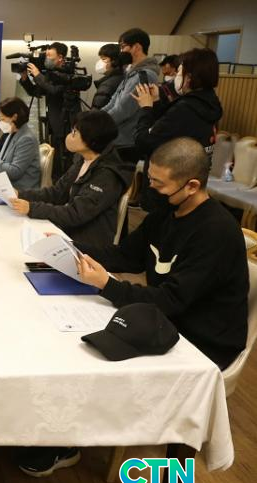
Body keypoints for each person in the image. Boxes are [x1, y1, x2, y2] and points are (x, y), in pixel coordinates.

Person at [76, 137, 248, 370]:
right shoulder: (166, 213)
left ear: (192, 186)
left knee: (103, 361)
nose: (151, 189)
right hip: (167, 318)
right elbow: (125, 256)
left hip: (203, 341)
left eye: (159, 184)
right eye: (150, 179)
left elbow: (172, 300)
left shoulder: (216, 232)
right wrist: (72, 248)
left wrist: (107, 284)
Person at [10, 110, 130, 247]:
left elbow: (76, 213)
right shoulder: (83, 160)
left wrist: (32, 208)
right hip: (68, 230)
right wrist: (21, 194)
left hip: (87, 244)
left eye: (75, 132)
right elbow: (56, 193)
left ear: (91, 139)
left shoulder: (107, 176)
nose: (70, 135)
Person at [131, 48, 222, 213]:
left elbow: (144, 143)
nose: (176, 77)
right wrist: (156, 102)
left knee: (160, 227)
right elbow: (170, 129)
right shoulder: (210, 103)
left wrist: (146, 108)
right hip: (191, 185)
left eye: (179, 71)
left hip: (169, 188)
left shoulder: (186, 108)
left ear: (189, 77)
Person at [19, 42, 81, 178]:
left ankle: (65, 181)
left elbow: (55, 90)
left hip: (66, 122)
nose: (46, 58)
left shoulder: (68, 73)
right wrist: (25, 78)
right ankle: (55, 180)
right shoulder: (50, 74)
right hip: (54, 123)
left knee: (66, 158)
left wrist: (37, 75)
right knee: (56, 157)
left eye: (49, 56)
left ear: (60, 57)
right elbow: (37, 92)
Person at [101, 28, 160, 164]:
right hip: (119, 139)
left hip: (126, 142)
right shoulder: (133, 73)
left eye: (123, 47)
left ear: (137, 47)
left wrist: (99, 124)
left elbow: (123, 110)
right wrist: (97, 117)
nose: (121, 51)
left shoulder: (144, 75)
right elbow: (113, 101)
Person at [0, 97, 40, 191]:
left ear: (15, 117)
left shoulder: (27, 139)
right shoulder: (12, 133)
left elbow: (15, 171)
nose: (0, 123)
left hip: (20, 190)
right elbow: (4, 162)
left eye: (3, 119)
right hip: (6, 185)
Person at [91, 44, 124, 110]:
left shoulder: (108, 85)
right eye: (100, 59)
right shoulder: (122, 77)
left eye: (104, 59)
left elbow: (96, 112)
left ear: (114, 61)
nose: (100, 62)